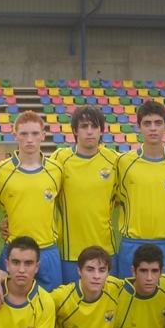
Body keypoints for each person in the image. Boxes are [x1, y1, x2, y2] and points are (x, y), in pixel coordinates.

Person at [0, 111, 64, 291]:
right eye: (24, 134)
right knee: (11, 308)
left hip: (47, 251)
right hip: (15, 251)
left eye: (35, 134)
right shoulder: (0, 171)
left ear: (43, 135)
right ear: (15, 135)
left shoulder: (56, 170)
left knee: (51, 308)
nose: (29, 139)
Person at [114, 100, 165, 278]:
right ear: (139, 127)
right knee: (128, 299)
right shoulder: (124, 162)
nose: (153, 128)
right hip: (132, 244)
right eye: (147, 123)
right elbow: (113, 197)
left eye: (158, 123)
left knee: (164, 301)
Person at [49, 106, 118, 283]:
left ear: (102, 130)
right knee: (70, 306)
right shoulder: (59, 159)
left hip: (106, 248)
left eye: (94, 127)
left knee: (107, 307)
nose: (89, 132)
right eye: (84, 126)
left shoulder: (115, 161)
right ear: (75, 130)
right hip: (70, 251)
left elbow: (127, 195)